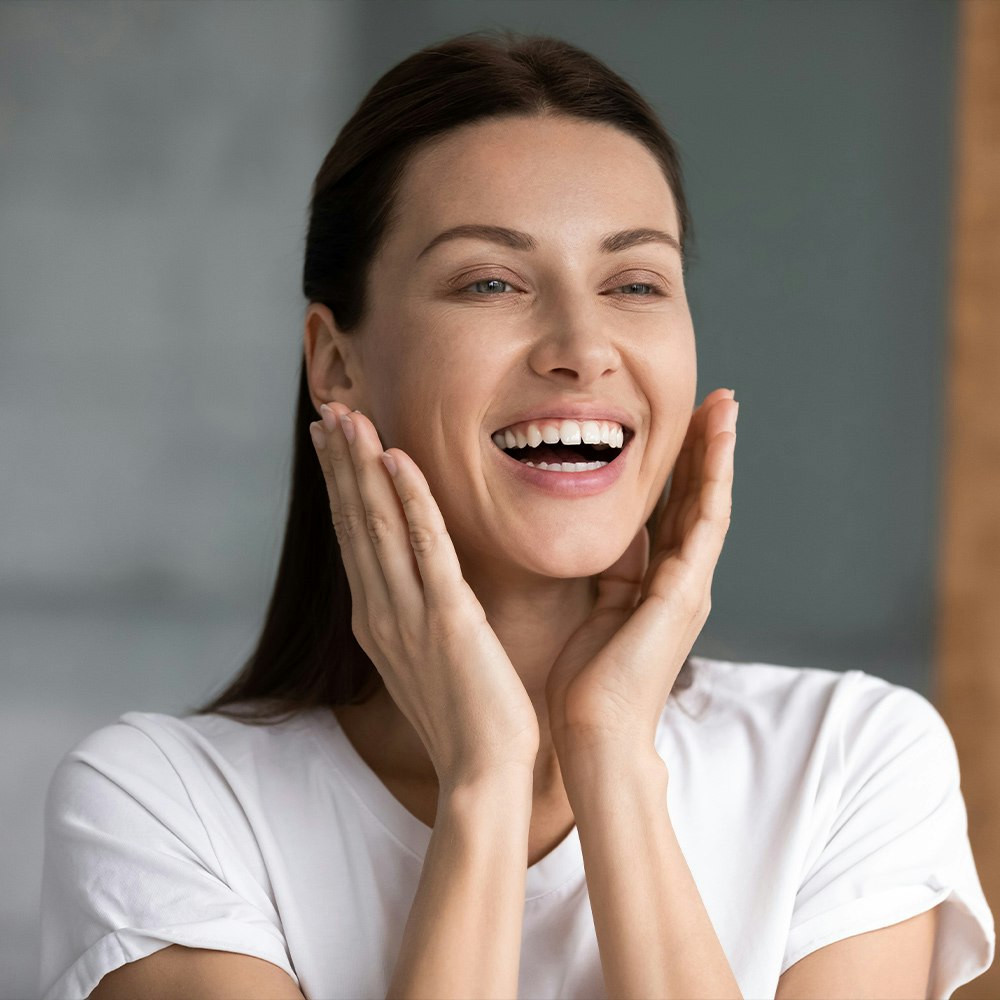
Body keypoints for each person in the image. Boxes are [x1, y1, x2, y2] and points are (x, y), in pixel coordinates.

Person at [39, 30, 993, 1000]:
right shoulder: (165, 807)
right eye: (491, 281)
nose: (583, 347)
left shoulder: (846, 761)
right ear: (336, 362)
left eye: (634, 284)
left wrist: (612, 755)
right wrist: (484, 786)